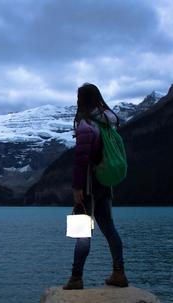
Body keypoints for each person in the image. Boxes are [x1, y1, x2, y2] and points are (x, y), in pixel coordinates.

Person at [62, 83, 129, 290]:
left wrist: (77, 188)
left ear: (81, 100)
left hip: (89, 186)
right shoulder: (108, 122)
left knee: (82, 233)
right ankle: (119, 273)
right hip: (105, 185)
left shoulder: (86, 125)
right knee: (109, 229)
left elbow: (81, 160)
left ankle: (76, 278)